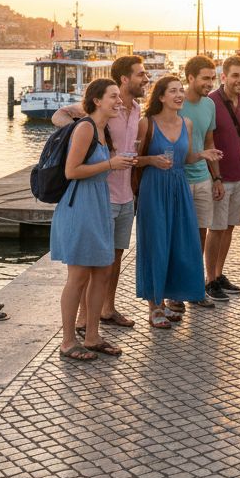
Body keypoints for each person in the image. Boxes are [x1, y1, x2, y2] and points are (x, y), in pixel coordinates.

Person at [52, 54, 149, 330]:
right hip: (100, 197)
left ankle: (107, 309)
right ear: (125, 79)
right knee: (89, 265)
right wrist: (79, 134)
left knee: (112, 260)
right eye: (140, 74)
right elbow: (58, 115)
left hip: (125, 195)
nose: (145, 78)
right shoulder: (95, 115)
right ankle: (84, 320)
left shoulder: (135, 110)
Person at [136, 76, 220, 328]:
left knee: (180, 243)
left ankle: (171, 298)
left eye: (180, 90)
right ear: (161, 97)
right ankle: (154, 307)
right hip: (154, 188)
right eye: (173, 91)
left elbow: (184, 158)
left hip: (179, 186)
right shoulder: (146, 124)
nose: (179, 94)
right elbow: (134, 160)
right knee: (156, 244)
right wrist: (152, 160)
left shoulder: (188, 123)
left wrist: (202, 155)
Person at [205, 56, 240, 300]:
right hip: (220, 177)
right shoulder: (211, 102)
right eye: (235, 75)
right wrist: (216, 178)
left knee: (229, 227)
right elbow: (207, 140)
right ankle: (210, 279)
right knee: (216, 228)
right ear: (223, 77)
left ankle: (219, 273)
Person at [179, 55, 224, 304]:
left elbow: (209, 143)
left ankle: (196, 289)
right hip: (180, 179)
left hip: (203, 178)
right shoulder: (176, 102)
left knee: (200, 236)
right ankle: (176, 292)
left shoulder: (210, 105)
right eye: (205, 78)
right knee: (179, 236)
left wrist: (216, 177)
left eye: (212, 78)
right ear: (191, 78)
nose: (210, 83)